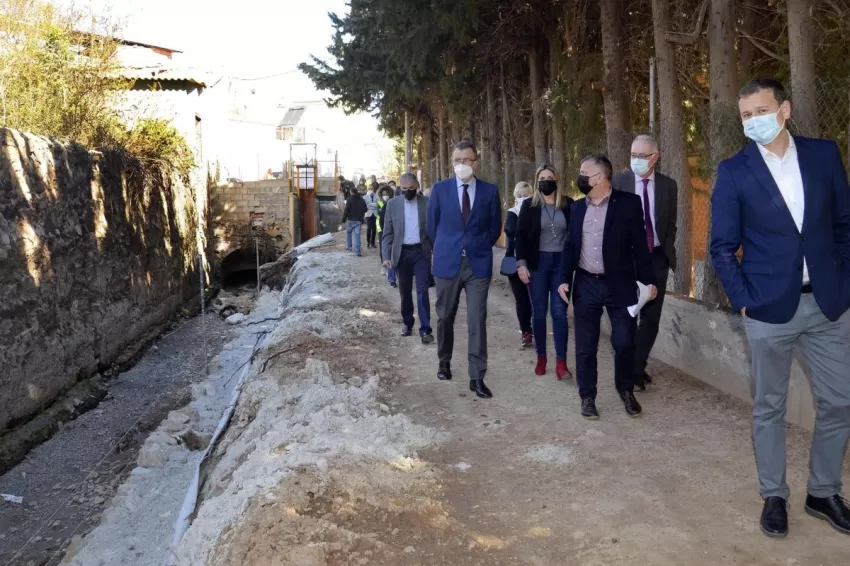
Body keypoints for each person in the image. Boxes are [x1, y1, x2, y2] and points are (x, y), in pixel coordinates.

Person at [710, 77, 850, 539]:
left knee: (841, 400)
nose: (753, 121)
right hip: (768, 310)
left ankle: (823, 493)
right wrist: (744, 301)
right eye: (746, 115)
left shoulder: (823, 155)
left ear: (785, 110)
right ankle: (774, 495)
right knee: (769, 406)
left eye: (761, 111)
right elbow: (721, 247)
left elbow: (844, 225)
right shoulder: (734, 171)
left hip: (828, 305)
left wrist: (845, 284)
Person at [558, 154, 657, 420]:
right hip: (586, 284)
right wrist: (563, 278)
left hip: (620, 284)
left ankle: (626, 390)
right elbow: (570, 246)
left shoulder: (628, 204)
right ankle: (587, 397)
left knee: (624, 342)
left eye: (584, 173)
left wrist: (649, 281)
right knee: (585, 346)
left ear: (600, 177)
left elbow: (640, 246)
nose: (579, 178)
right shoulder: (577, 208)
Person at [426, 140, 502, 399]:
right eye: (457, 160)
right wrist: (446, 248)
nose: (461, 164)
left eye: (466, 160)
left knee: (476, 320)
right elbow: (431, 226)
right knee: (445, 316)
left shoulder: (490, 191)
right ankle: (444, 361)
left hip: (477, 265)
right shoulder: (440, 189)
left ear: (475, 162)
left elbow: (495, 227)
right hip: (447, 263)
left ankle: (477, 377)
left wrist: (478, 247)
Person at [613, 134, 678, 390]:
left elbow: (671, 224)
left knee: (651, 319)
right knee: (628, 315)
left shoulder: (669, 186)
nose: (637, 160)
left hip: (656, 258)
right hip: (627, 258)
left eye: (642, 156)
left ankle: (636, 368)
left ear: (655, 157)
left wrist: (665, 249)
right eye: (634, 155)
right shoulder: (619, 182)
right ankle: (633, 369)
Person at [516, 165, 574, 378]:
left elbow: (574, 236)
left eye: (550, 177)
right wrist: (521, 264)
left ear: (557, 180)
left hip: (561, 265)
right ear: (537, 181)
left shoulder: (568, 204)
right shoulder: (529, 206)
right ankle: (541, 357)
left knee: (559, 312)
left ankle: (561, 363)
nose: (546, 181)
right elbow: (520, 236)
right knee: (539, 312)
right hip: (537, 264)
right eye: (542, 178)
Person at [382, 173, 434, 344]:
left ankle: (425, 329)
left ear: (417, 186)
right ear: (400, 188)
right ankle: (407, 322)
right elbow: (387, 233)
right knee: (405, 291)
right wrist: (386, 256)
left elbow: (434, 229)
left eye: (411, 188)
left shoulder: (427, 203)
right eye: (404, 189)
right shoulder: (392, 205)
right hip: (402, 253)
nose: (408, 191)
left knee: (422, 291)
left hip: (421, 252)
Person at [504, 182, 534, 349]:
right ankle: (526, 331)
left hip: (535, 263)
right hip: (515, 263)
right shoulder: (512, 213)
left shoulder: (538, 211)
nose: (523, 198)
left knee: (536, 300)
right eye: (520, 195)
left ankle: (536, 329)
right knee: (521, 299)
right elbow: (513, 232)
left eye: (526, 195)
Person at [376, 185, 398, 288]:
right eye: (384, 194)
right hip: (384, 233)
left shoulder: (394, 204)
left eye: (387, 194)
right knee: (388, 254)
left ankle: (393, 278)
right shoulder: (380, 204)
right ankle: (392, 278)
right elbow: (379, 219)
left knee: (394, 254)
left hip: (394, 233)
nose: (385, 196)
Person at [341, 186, 367, 257]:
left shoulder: (349, 200)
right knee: (357, 236)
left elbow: (346, 210)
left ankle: (349, 246)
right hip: (358, 220)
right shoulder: (362, 200)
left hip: (350, 220)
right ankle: (358, 252)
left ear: (351, 192)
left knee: (348, 232)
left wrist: (343, 220)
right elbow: (365, 209)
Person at [364, 184, 379, 249]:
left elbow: (378, 204)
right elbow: (365, 205)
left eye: (372, 189)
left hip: (375, 214)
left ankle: (373, 243)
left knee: (374, 229)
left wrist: (370, 204)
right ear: (368, 190)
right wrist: (374, 205)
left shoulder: (376, 196)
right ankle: (368, 242)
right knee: (369, 228)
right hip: (368, 214)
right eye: (370, 189)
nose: (371, 190)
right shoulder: (365, 197)